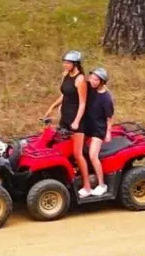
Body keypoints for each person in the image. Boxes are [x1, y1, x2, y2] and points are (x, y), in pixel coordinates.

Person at [44, 50, 92, 197]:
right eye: (64, 62)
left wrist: (77, 121)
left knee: (78, 154)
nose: (65, 65)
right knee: (64, 149)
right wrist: (52, 107)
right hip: (65, 118)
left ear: (75, 64)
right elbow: (64, 94)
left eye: (68, 63)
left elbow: (83, 103)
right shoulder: (66, 75)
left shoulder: (80, 79)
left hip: (77, 120)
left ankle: (87, 186)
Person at [82, 68, 114, 197]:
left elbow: (110, 117)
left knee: (93, 155)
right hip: (86, 126)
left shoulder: (106, 98)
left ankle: (102, 185)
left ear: (101, 82)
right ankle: (86, 183)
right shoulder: (90, 88)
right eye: (92, 78)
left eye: (96, 80)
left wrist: (108, 132)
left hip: (98, 129)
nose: (92, 81)